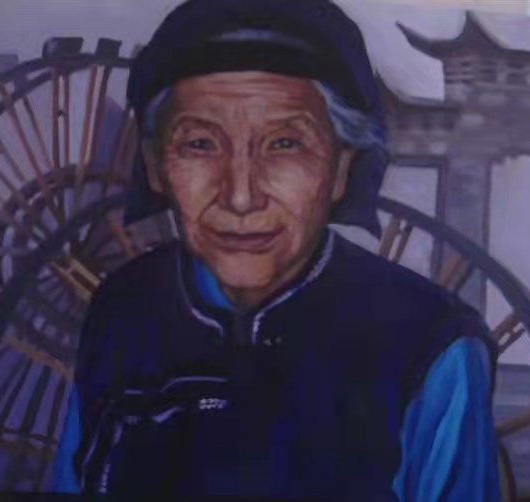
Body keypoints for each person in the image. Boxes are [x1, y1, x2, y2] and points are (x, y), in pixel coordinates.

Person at [53, 0, 500, 499]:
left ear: (341, 168)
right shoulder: (122, 309)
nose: (241, 196)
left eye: (285, 144)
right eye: (199, 144)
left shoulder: (430, 345)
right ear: (157, 167)